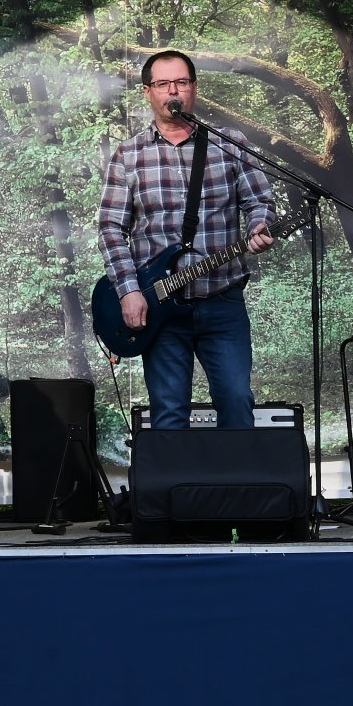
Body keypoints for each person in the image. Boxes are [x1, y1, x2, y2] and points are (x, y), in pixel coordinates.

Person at [98, 50, 275, 430]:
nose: (173, 91)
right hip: (158, 309)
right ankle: (174, 490)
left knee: (238, 403)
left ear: (194, 88)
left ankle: (236, 489)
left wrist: (259, 227)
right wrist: (130, 291)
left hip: (222, 300)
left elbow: (259, 201)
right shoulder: (129, 155)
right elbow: (112, 229)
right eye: (163, 84)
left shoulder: (229, 144)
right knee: (168, 414)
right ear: (148, 92)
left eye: (181, 82)